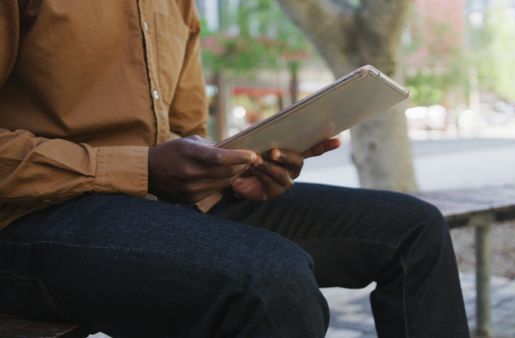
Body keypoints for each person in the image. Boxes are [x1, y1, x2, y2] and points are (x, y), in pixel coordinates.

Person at [0, 1, 469, 337]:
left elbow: (186, 135)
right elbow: (151, 164)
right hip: (32, 217)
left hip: (160, 205)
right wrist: (138, 168)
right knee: (269, 281)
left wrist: (227, 169)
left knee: (414, 229)